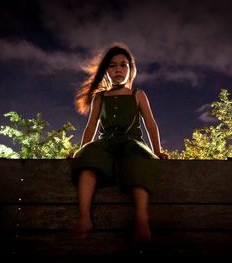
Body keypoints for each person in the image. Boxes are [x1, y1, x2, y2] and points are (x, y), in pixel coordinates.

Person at [70, 42, 168, 243]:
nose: (118, 70)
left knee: (139, 161)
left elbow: (150, 124)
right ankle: (84, 217)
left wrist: (157, 151)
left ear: (131, 70)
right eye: (113, 65)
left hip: (132, 142)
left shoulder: (138, 95)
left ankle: (142, 219)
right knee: (88, 161)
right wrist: (81, 151)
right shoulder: (100, 97)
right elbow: (91, 128)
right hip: (106, 144)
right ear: (106, 71)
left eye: (123, 65)